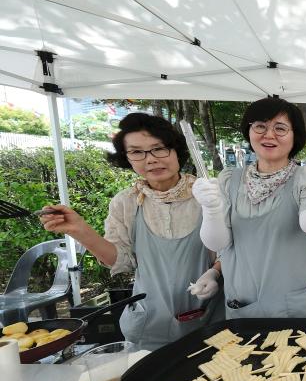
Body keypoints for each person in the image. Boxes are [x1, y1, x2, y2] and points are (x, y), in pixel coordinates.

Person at [40, 113, 223, 350]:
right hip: (150, 322)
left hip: (209, 318)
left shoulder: (207, 194)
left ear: (177, 150)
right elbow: (122, 261)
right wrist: (80, 230)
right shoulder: (125, 203)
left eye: (159, 148)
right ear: (127, 158)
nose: (151, 159)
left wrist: (215, 273)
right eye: (137, 152)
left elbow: (230, 250)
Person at [192, 97, 306, 319]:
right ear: (249, 132)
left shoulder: (305, 178)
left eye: (280, 128)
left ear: (294, 135)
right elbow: (217, 242)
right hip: (243, 303)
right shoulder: (229, 179)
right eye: (260, 126)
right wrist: (211, 209)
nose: (269, 135)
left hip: (296, 306)